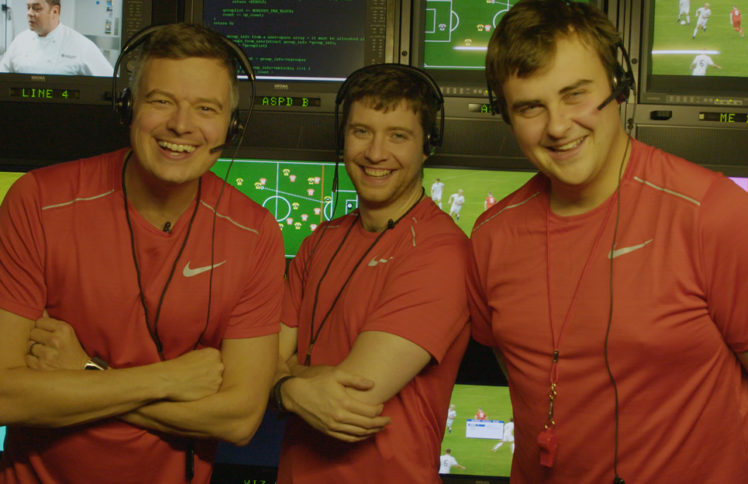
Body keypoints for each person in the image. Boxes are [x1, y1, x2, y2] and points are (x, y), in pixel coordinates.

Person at [475, 0, 748, 482]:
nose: (557, 126)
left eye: (575, 94)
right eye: (530, 107)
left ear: (618, 84)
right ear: (505, 115)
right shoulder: (491, 236)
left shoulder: (715, 216)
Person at [0, 23, 283, 484]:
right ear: (128, 106)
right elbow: (5, 397)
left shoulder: (255, 233)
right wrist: (169, 380)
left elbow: (238, 419)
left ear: (231, 125)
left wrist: (86, 372)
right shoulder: (38, 200)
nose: (181, 125)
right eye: (161, 101)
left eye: (206, 108)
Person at [273, 64, 471, 483]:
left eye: (398, 136)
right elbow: (257, 363)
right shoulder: (320, 240)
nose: (376, 153)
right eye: (362, 131)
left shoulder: (442, 252)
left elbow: (352, 397)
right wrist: (293, 387)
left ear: (427, 146)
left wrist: (284, 380)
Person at [0, 0, 113, 75]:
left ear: (55, 11)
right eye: (28, 7)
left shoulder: (80, 45)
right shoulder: (20, 41)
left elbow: (111, 83)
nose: (29, 13)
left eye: (36, 8)